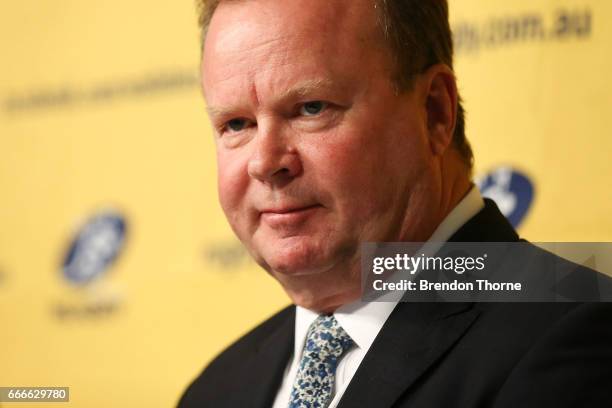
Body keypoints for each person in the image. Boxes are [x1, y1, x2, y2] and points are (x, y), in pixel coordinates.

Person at [179, 1, 612, 407]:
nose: (265, 162)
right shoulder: (217, 389)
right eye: (236, 124)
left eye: (311, 108)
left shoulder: (581, 336)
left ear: (434, 112)